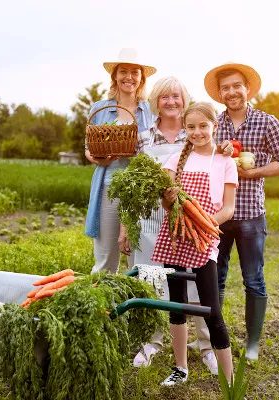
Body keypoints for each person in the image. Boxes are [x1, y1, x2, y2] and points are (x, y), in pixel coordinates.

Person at [120, 77, 224, 374]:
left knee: (197, 286)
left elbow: (217, 160)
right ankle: (150, 342)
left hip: (187, 223)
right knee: (151, 282)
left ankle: (207, 346)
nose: (171, 102)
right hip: (150, 221)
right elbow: (132, 185)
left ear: (185, 99)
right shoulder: (143, 136)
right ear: (156, 102)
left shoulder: (194, 132)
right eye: (164, 97)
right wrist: (126, 226)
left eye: (176, 96)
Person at [204, 63, 279, 361]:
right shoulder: (213, 124)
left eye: (236, 86)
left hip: (250, 215)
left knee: (253, 279)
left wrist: (253, 172)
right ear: (220, 94)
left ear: (247, 89)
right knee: (214, 278)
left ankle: (252, 344)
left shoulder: (267, 122)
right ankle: (215, 338)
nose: (231, 92)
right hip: (218, 214)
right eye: (225, 88)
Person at [152, 102, 238, 386]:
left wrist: (205, 224)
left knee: (212, 310)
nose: (197, 132)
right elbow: (167, 204)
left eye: (203, 126)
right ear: (185, 129)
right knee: (176, 305)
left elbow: (228, 209)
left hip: (204, 236)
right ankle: (180, 368)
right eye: (191, 127)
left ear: (214, 125)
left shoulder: (225, 162)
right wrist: (169, 197)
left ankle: (229, 378)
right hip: (175, 237)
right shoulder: (176, 160)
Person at [84, 48, 156, 273]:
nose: (129, 77)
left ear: (141, 78)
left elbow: (159, 148)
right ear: (115, 76)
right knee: (105, 256)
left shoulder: (151, 111)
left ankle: (136, 305)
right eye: (123, 71)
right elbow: (88, 149)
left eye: (135, 72)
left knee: (139, 255)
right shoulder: (100, 109)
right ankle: (104, 306)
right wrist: (98, 159)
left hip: (141, 191)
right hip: (109, 187)